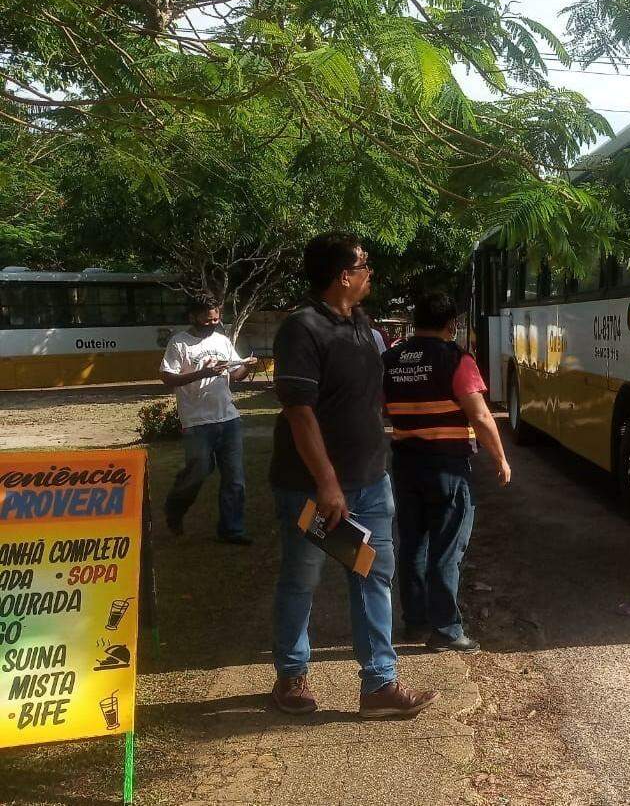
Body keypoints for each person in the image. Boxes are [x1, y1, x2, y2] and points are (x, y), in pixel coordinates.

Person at [268, 232, 434, 719]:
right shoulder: (301, 328)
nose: (370, 274)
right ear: (344, 275)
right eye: (364, 266)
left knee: (373, 576)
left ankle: (379, 685)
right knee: (303, 578)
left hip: (369, 481)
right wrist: (327, 484)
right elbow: (300, 412)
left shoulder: (362, 326)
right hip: (312, 487)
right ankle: (291, 677)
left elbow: (361, 400)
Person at [383, 292, 511, 654]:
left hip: (406, 466)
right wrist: (500, 459)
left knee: (411, 545)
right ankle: (447, 630)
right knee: (447, 547)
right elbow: (481, 416)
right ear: (451, 325)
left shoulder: (391, 359)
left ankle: (416, 621)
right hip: (447, 469)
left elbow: (378, 406)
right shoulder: (456, 359)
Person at [160, 293, 257, 545]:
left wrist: (248, 365)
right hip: (196, 422)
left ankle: (231, 529)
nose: (212, 323)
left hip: (228, 419)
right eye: (206, 320)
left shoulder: (223, 340)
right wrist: (202, 372)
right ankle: (175, 508)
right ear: (192, 317)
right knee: (198, 471)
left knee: (234, 479)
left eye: (216, 319)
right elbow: (168, 378)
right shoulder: (179, 344)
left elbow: (236, 374)